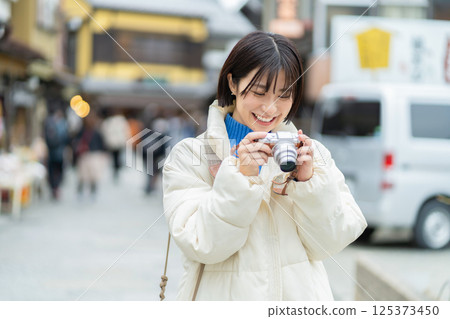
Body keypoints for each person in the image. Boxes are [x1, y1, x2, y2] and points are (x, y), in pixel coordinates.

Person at [162, 31, 367, 301]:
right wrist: (239, 178)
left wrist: (308, 185)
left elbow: (329, 244)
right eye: (259, 92)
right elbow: (202, 244)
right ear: (233, 84)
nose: (270, 108)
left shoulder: (312, 156)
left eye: (284, 95)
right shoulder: (190, 156)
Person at [43, 109, 68, 200]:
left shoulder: (53, 124)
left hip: (55, 152)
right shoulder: (61, 124)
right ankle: (55, 187)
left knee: (55, 170)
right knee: (56, 170)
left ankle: (55, 187)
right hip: (56, 152)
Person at [101, 111, 130, 182]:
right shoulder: (120, 121)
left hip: (114, 143)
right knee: (116, 157)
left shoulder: (109, 122)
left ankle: (116, 170)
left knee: (116, 157)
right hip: (117, 142)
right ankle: (116, 169)